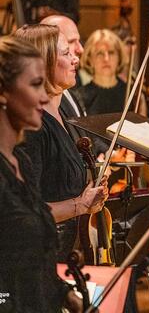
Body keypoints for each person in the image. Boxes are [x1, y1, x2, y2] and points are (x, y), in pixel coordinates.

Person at [0, 36, 82, 312]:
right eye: (36, 85)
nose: (45, 97)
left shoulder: (21, 161)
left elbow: (37, 259)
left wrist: (64, 295)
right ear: (4, 93)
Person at [14, 24, 108, 260]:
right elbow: (23, 211)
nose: (76, 58)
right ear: (43, 64)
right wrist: (80, 204)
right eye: (66, 54)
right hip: (40, 258)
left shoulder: (63, 114)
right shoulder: (32, 126)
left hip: (67, 252)